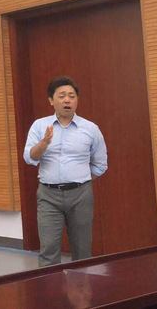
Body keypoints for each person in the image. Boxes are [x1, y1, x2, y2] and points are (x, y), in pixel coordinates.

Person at [23, 76, 107, 267]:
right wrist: (44, 143)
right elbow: (29, 158)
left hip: (81, 195)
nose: (67, 100)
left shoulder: (90, 129)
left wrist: (80, 179)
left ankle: (83, 286)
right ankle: (49, 286)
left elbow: (100, 164)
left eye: (71, 96)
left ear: (77, 100)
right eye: (61, 96)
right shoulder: (39, 126)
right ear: (51, 100)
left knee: (82, 249)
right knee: (49, 249)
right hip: (48, 195)